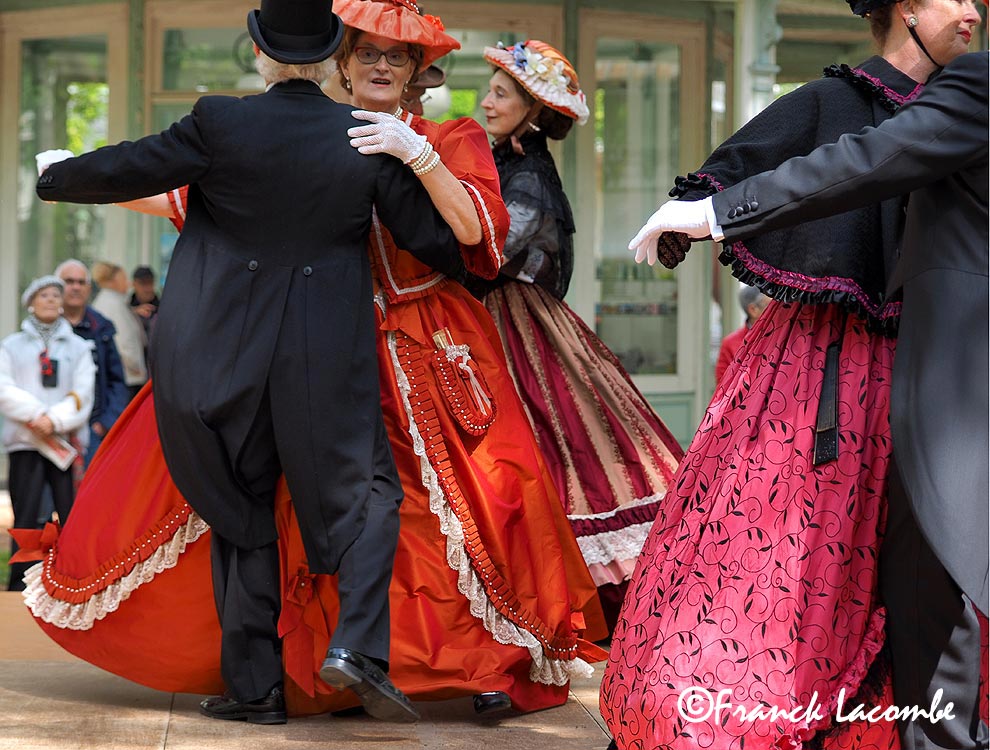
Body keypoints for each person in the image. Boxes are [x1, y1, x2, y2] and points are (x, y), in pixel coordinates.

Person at [22, 0, 606, 723]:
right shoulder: (345, 137)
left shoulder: (411, 136)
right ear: (339, 60)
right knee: (327, 504)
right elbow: (180, 190)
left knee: (447, 508)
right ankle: (317, 665)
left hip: (393, 344)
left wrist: (418, 155)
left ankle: (449, 663)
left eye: (399, 58)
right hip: (334, 346)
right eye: (369, 55)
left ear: (421, 72)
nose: (384, 67)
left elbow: (463, 242)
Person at [600, 2, 983, 749]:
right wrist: (698, 210)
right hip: (822, 371)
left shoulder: (964, 102)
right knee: (785, 549)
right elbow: (764, 165)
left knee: (930, 565)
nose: (973, 10)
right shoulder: (833, 100)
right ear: (903, 9)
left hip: (933, 369)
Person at [471, 39, 683, 629]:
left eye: (501, 93)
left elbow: (489, 255)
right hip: (513, 317)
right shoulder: (512, 164)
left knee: (554, 441)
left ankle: (557, 592)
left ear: (532, 108)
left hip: (517, 323)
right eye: (491, 89)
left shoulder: (530, 178)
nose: (486, 101)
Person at [1, 276, 95, 591]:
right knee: (25, 515)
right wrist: (36, 416)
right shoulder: (11, 345)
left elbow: (84, 390)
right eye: (44, 294)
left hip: (64, 444)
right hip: (25, 441)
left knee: (70, 514)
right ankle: (20, 584)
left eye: (57, 294)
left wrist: (54, 420)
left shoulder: (80, 347)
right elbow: (4, 387)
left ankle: (71, 579)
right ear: (31, 301)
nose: (52, 299)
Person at [54, 259, 128, 466]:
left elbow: (117, 381)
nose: (75, 287)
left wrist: (104, 424)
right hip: (52, 430)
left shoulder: (101, 328)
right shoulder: (45, 327)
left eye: (81, 282)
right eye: (69, 281)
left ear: (88, 288)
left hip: (93, 431)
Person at [90, 262, 148, 400]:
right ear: (114, 281)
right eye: (124, 278)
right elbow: (124, 340)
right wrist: (137, 367)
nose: (128, 284)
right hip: (128, 376)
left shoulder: (107, 302)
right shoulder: (114, 305)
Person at [714, 284, 769, 383]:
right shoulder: (730, 343)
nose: (778, 311)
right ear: (753, 310)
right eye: (770, 306)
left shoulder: (783, 337)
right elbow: (723, 385)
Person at [129, 265, 159, 341]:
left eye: (150, 283)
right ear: (134, 284)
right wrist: (133, 313)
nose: (147, 288)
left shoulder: (162, 307)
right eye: (143, 283)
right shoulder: (126, 304)